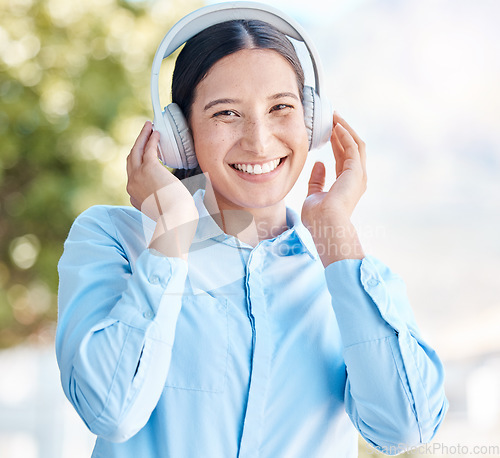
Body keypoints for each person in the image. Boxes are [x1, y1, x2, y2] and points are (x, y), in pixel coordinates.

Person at [56, 4, 448, 458]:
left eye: (281, 107)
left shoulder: (343, 272)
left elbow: (405, 429)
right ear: (180, 133)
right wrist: (171, 236)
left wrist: (338, 241)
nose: (259, 141)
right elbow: (111, 412)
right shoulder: (113, 239)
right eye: (226, 114)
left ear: (311, 120)